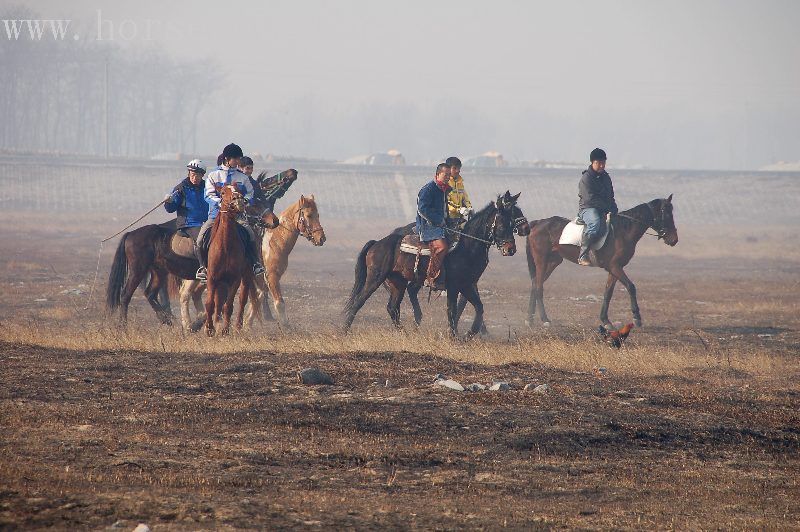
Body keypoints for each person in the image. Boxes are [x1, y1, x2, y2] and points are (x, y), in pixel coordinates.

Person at [195, 143, 265, 281]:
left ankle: (255, 264)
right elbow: (207, 195)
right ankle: (202, 267)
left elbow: (250, 193)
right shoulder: (213, 175)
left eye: (239, 158)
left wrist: (244, 201)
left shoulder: (242, 177)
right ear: (227, 159)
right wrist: (221, 202)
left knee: (250, 234)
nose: (239, 161)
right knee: (199, 239)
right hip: (216, 216)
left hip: (237, 217)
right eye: (236, 158)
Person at [577, 147, 618, 266]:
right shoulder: (586, 178)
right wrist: (606, 208)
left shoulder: (606, 177)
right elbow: (590, 199)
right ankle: (582, 255)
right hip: (588, 209)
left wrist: (614, 209)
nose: (601, 165)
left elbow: (611, 196)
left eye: (603, 162)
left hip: (604, 208)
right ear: (592, 162)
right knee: (595, 223)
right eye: (598, 163)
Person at [163, 159, 208, 263]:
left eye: (198, 175)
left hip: (206, 222)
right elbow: (170, 209)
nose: (195, 178)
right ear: (189, 173)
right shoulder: (181, 189)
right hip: (189, 224)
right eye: (192, 175)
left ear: (202, 176)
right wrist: (168, 202)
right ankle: (203, 267)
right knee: (202, 239)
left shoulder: (207, 187)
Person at [416, 162, 452, 291]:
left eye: (449, 175)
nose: (448, 177)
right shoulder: (429, 189)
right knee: (442, 247)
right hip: (428, 226)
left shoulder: (444, 189)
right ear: (438, 174)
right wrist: (438, 220)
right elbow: (422, 209)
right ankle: (431, 278)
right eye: (445, 174)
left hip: (441, 225)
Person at [445, 156, 472, 229]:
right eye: (455, 168)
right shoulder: (445, 183)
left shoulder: (460, 182)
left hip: (459, 218)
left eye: (459, 168)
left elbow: (465, 198)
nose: (458, 170)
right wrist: (459, 209)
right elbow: (446, 202)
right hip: (447, 218)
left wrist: (469, 208)